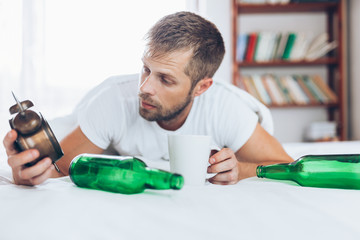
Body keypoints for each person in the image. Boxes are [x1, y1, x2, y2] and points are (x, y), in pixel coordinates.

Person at [3, 11, 293, 186]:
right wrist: (26, 175)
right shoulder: (115, 101)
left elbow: (285, 166)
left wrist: (238, 170)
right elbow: (57, 171)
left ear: (201, 87)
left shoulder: (228, 110)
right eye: (145, 69)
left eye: (165, 79)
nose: (145, 87)